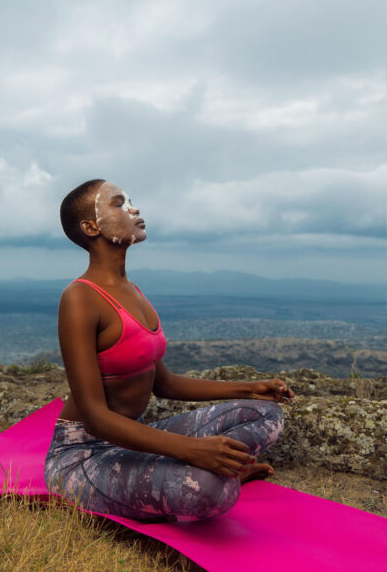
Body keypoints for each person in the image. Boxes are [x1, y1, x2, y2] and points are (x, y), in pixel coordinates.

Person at [45, 179, 295, 522]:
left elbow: (164, 385)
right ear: (91, 227)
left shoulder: (132, 290)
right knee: (207, 489)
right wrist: (192, 450)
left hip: (136, 439)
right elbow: (95, 417)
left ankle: (181, 468)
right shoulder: (80, 298)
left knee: (266, 415)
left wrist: (252, 388)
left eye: (131, 201)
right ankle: (203, 473)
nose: (134, 209)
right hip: (86, 454)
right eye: (118, 204)